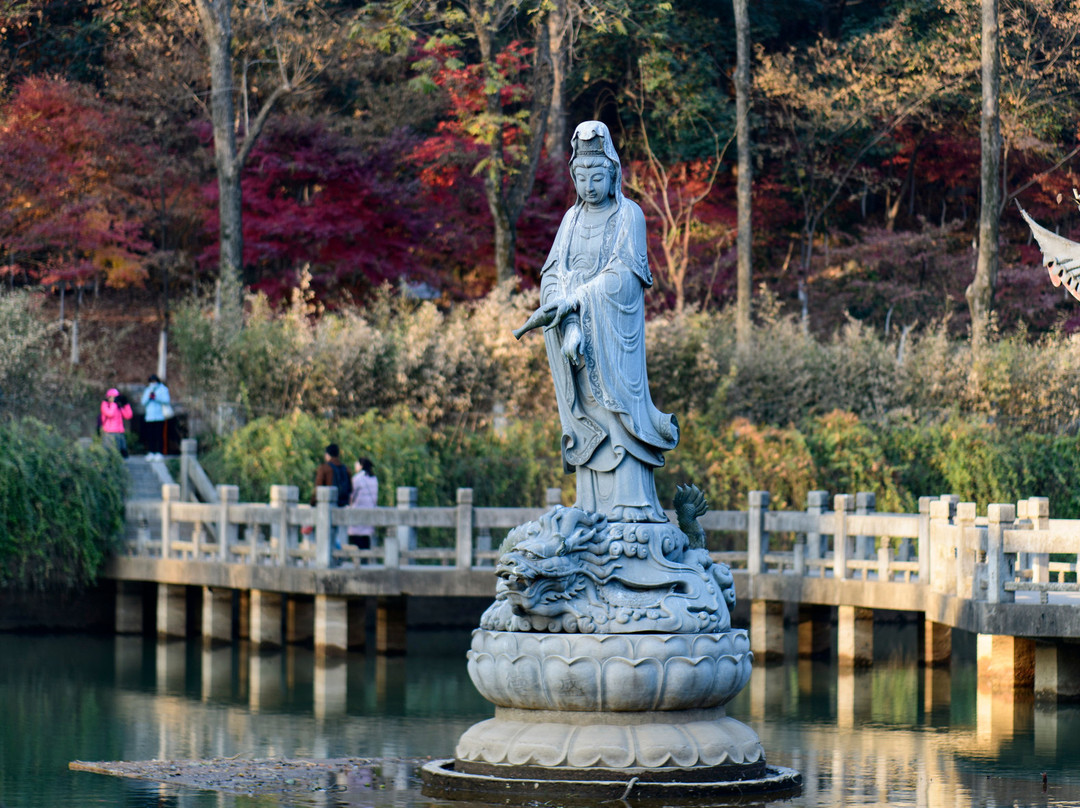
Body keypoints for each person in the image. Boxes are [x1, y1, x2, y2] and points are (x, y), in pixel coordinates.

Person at [514, 120, 678, 523]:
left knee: (616, 417)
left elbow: (623, 277)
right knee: (588, 420)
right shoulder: (570, 221)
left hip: (611, 343)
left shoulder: (630, 216)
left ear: (613, 175)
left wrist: (576, 300)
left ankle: (632, 507)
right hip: (579, 347)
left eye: (597, 175)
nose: (589, 185)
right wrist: (561, 312)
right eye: (581, 176)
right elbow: (551, 273)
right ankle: (589, 507)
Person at [311, 444, 352, 550]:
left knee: (327, 535)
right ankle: (340, 555)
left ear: (327, 455)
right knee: (340, 535)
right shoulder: (346, 469)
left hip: (326, 509)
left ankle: (330, 555)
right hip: (343, 505)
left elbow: (318, 489)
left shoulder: (325, 468)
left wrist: (312, 504)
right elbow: (350, 489)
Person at [347, 457, 379, 550]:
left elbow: (351, 495)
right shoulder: (374, 478)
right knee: (366, 539)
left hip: (358, 512)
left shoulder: (357, 478)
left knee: (357, 540)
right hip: (370, 512)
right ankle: (365, 561)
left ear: (361, 465)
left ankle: (359, 562)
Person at [140, 374, 172, 461]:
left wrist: (156, 397)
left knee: (159, 435)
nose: (153, 384)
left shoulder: (163, 389)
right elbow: (143, 402)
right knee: (151, 435)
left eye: (154, 382)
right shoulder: (148, 390)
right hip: (149, 417)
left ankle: (159, 452)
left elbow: (167, 400)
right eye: (151, 382)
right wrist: (149, 397)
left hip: (160, 416)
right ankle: (151, 452)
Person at [100, 388, 133, 458]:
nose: (115, 399)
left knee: (121, 453)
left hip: (119, 432)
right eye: (114, 397)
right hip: (109, 433)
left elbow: (128, 416)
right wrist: (113, 403)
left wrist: (126, 404)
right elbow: (110, 414)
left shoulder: (118, 406)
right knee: (109, 453)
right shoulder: (105, 405)